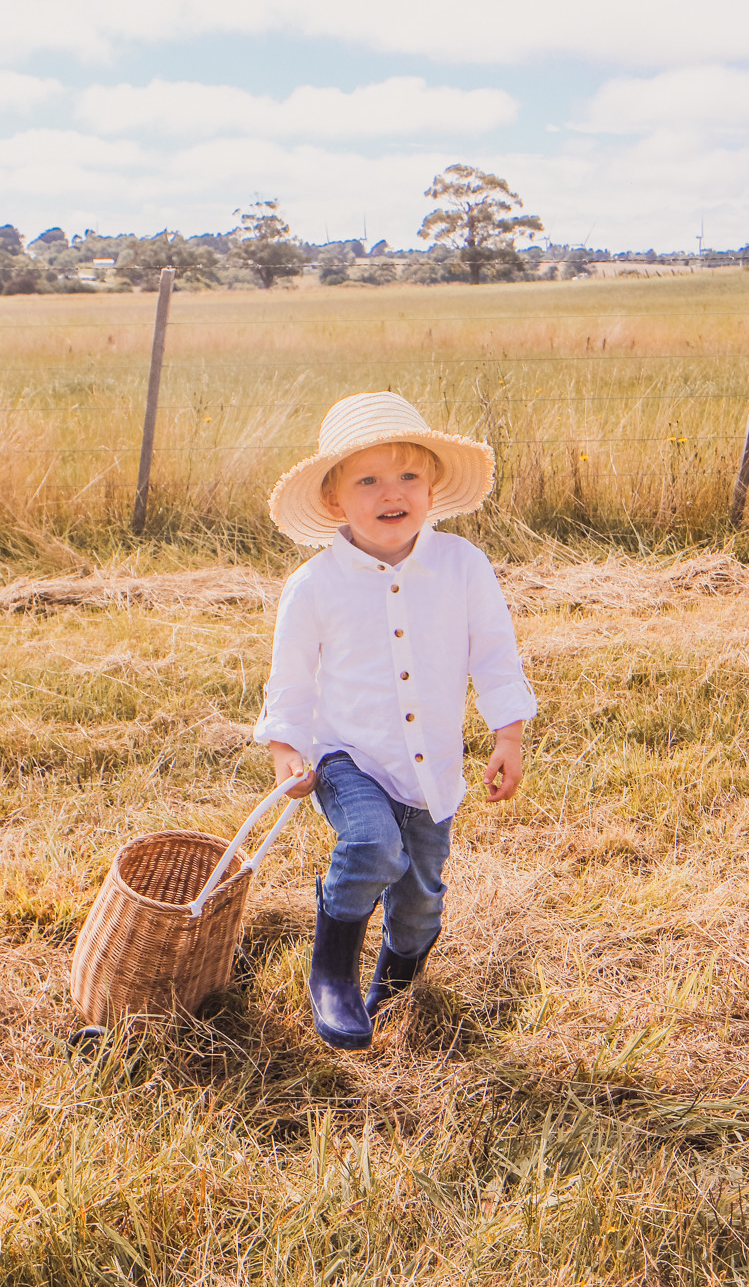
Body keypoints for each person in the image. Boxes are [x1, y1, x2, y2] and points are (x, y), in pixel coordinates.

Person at [253, 391, 537, 1050]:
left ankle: (393, 989)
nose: (393, 493)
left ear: (433, 487)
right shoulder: (315, 585)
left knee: (419, 905)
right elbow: (291, 674)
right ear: (334, 501)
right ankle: (332, 977)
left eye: (409, 475)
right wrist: (286, 751)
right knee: (372, 846)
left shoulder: (461, 566)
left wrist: (508, 735)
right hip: (348, 755)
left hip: (430, 768)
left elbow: (494, 653)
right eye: (369, 479)